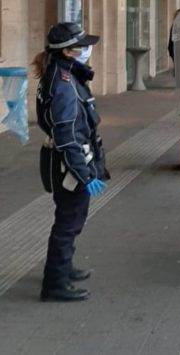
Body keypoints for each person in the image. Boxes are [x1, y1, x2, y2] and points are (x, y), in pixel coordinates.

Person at [32, 22, 109, 302]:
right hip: (68, 163)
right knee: (67, 222)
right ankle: (54, 283)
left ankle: (63, 268)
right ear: (68, 51)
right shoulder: (63, 84)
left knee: (71, 219)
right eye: (82, 46)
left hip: (65, 160)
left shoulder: (62, 74)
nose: (87, 50)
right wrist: (84, 174)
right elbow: (67, 134)